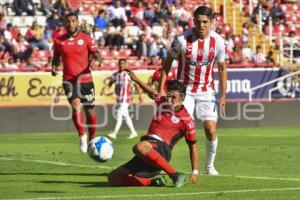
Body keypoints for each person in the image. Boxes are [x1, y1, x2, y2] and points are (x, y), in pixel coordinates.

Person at [159, 6, 227, 175]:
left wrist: (224, 95)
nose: (201, 25)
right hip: (185, 91)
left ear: (212, 22)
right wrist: (160, 87)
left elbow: (222, 68)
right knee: (176, 128)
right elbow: (167, 63)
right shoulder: (182, 40)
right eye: (198, 21)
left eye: (205, 22)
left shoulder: (218, 41)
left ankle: (209, 166)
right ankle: (160, 164)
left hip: (206, 91)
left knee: (210, 129)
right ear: (193, 21)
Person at [108, 69, 199, 187]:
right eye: (168, 96)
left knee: (139, 146)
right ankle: (153, 182)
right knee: (113, 177)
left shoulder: (187, 120)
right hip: (148, 151)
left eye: (173, 97)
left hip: (162, 150)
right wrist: (136, 80)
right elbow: (151, 92)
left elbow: (193, 146)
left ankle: (175, 175)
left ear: (182, 98)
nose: (169, 99)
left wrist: (195, 171)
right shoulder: (162, 102)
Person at [51, 13, 102, 153]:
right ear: (65, 23)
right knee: (75, 106)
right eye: (68, 21)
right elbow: (56, 56)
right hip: (69, 79)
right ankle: (81, 135)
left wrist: (97, 60)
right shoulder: (59, 41)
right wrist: (54, 67)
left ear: (78, 22)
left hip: (85, 80)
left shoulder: (86, 38)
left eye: (73, 21)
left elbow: (97, 53)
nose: (71, 24)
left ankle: (92, 138)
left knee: (90, 110)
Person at [100, 59, 142, 139]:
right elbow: (110, 83)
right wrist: (104, 89)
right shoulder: (115, 75)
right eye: (120, 63)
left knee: (119, 115)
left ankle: (114, 133)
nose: (121, 65)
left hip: (126, 98)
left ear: (126, 64)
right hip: (119, 99)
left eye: (123, 63)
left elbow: (136, 85)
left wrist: (140, 95)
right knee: (126, 116)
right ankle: (133, 132)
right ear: (118, 65)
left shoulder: (128, 74)